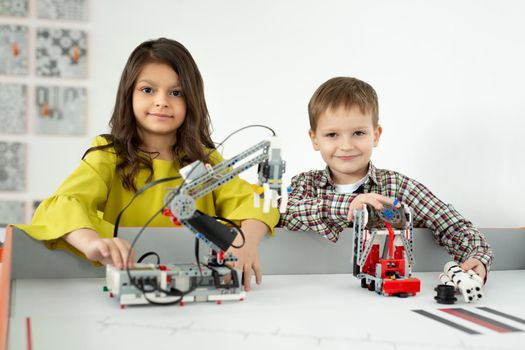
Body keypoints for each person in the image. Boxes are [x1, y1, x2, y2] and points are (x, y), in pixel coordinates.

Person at [18, 38, 278, 291]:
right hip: (128, 282)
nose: (162, 101)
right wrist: (92, 243)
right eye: (148, 90)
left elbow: (253, 203)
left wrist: (247, 242)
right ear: (128, 94)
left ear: (192, 100)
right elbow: (61, 205)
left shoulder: (205, 159)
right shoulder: (108, 156)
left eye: (176, 93)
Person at [279, 77, 493, 281]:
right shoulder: (305, 184)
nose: (346, 145)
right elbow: (290, 215)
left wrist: (478, 257)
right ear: (314, 139)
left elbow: (452, 226)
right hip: (318, 290)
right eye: (332, 135)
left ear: (376, 135)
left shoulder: (397, 187)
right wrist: (349, 205)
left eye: (358, 133)